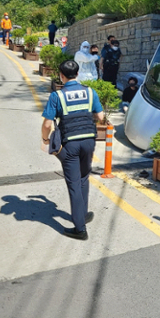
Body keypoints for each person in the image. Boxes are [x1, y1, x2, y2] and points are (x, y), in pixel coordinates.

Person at [41, 60, 104, 240]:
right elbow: (100, 116)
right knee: (84, 178)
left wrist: (45, 140)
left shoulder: (57, 96)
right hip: (89, 142)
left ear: (61, 75)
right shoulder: (90, 92)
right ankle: (82, 214)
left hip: (70, 144)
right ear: (77, 74)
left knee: (74, 184)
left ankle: (80, 229)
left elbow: (47, 124)